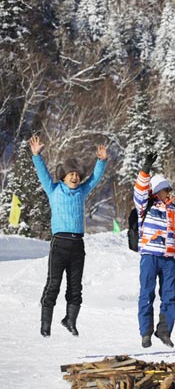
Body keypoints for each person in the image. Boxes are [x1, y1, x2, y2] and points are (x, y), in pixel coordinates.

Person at [29, 135, 108, 337]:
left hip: (77, 245)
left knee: (75, 287)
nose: (74, 177)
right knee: (53, 285)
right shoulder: (54, 190)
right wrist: (37, 155)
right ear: (63, 176)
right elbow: (43, 174)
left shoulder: (82, 191)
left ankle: (70, 320)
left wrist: (101, 161)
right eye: (70, 174)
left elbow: (95, 178)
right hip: (60, 243)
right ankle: (45, 325)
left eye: (77, 174)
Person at [134, 153, 175, 348]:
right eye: (165, 189)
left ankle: (164, 331)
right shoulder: (145, 205)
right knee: (146, 294)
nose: (169, 192)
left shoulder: (174, 210)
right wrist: (146, 169)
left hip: (168, 259)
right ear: (157, 191)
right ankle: (146, 332)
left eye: (169, 189)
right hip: (149, 255)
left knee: (169, 296)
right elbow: (140, 191)